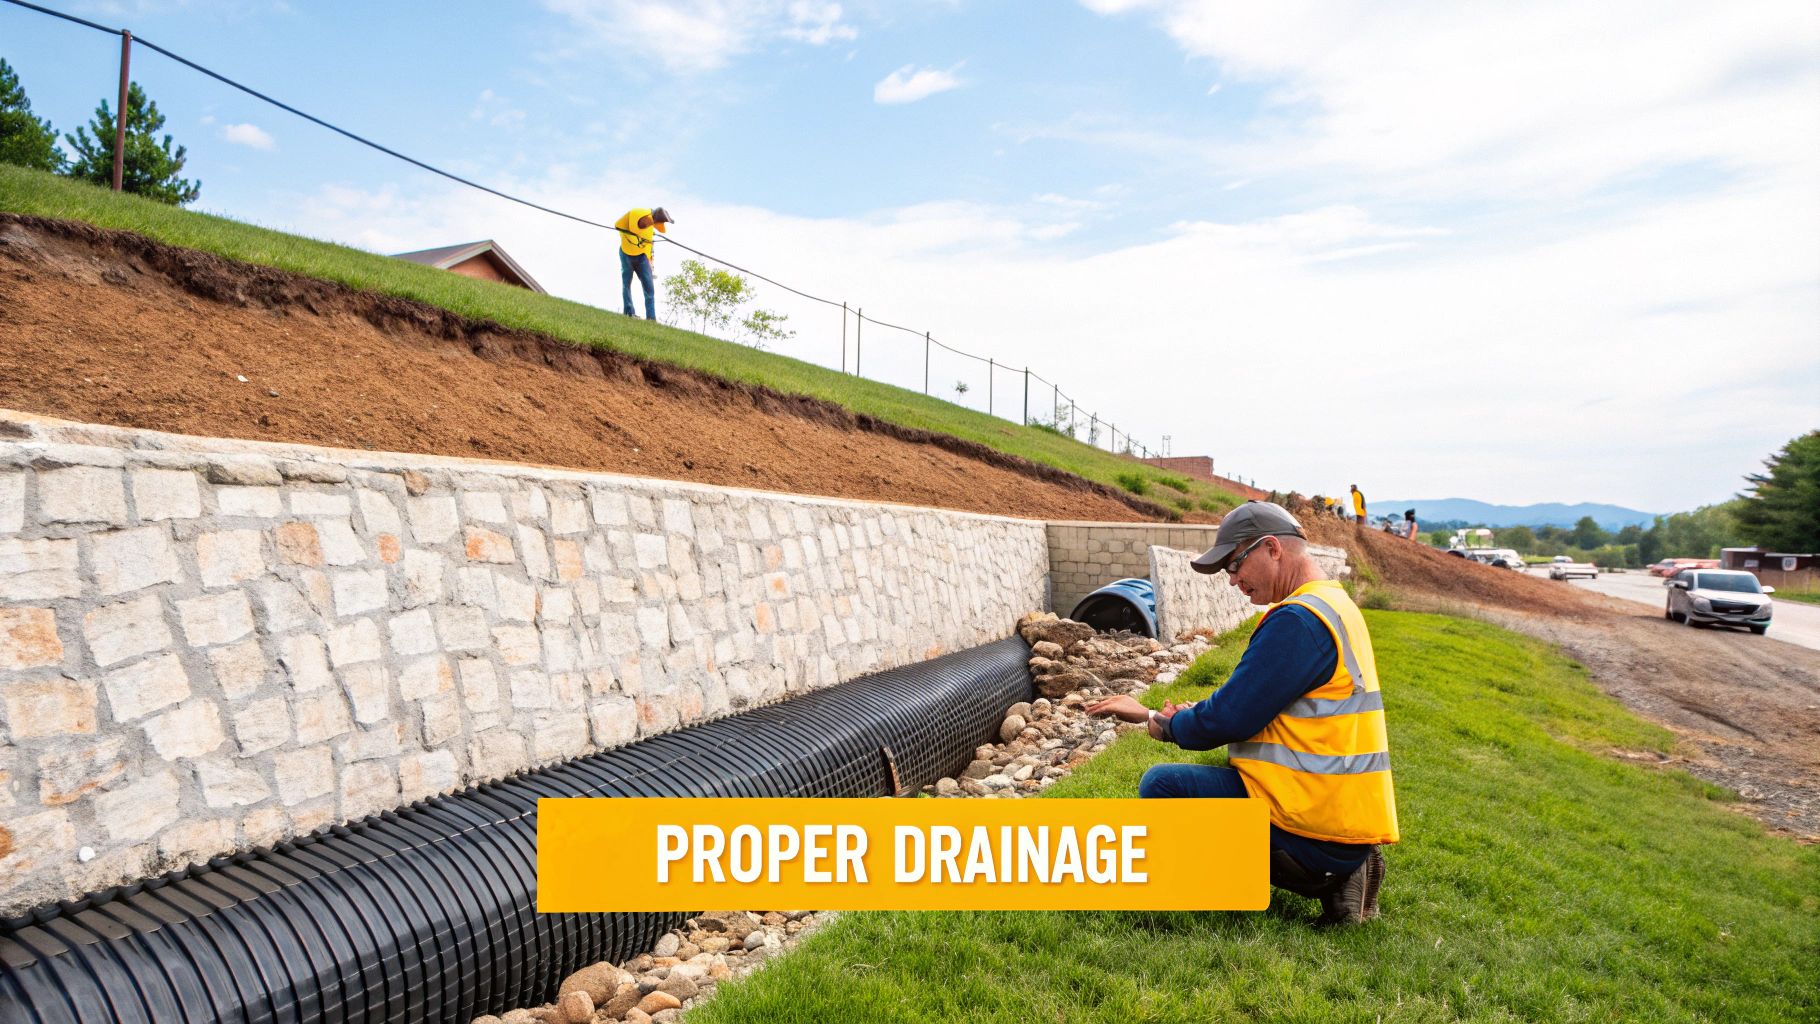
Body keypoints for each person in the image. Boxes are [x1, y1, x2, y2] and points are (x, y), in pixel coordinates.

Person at [1087, 501, 1399, 924]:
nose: (1233, 581)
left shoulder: (1299, 622)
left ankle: (1287, 882)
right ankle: (1346, 866)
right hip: (1335, 815)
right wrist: (1202, 711)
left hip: (1316, 831)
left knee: (1162, 786)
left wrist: (1157, 722)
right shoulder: (1332, 606)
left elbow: (1227, 720)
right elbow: (1267, 706)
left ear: (1272, 549)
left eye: (1235, 565)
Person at [614, 206, 673, 320]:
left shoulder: (650, 228)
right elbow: (617, 225)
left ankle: (651, 319)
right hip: (626, 254)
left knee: (649, 289)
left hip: (642, 257)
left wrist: (651, 263)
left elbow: (649, 247)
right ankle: (629, 312)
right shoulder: (635, 214)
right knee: (626, 283)